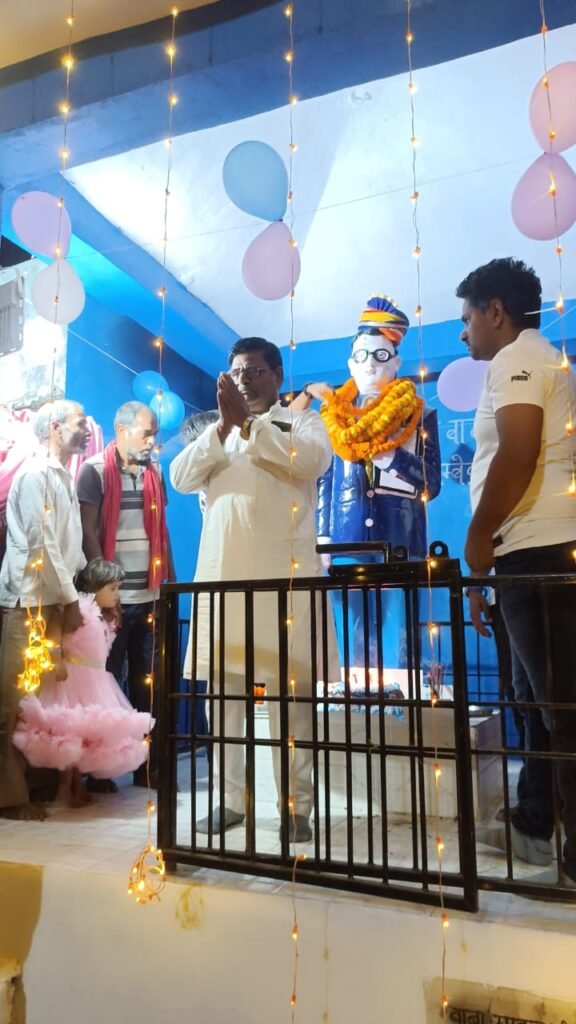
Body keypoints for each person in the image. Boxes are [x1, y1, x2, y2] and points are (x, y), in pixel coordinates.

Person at [170, 337, 336, 842]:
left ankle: (296, 808)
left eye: (255, 371)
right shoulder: (217, 433)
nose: (245, 379)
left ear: (278, 376)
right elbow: (180, 478)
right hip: (225, 583)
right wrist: (225, 427)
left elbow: (310, 461)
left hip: (285, 584)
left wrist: (248, 424)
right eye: (237, 372)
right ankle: (230, 801)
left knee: (293, 705)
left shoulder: (301, 422)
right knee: (223, 703)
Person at [458, 257, 576, 888]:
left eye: (468, 317)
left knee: (560, 706)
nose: (464, 332)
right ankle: (535, 824)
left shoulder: (518, 357)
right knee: (535, 702)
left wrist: (479, 536)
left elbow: (520, 450)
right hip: (526, 553)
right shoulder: (536, 358)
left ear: (496, 312)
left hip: (540, 552)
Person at [312, 295, 441, 669]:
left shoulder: (419, 414)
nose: (370, 363)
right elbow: (325, 479)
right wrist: (323, 535)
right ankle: (353, 695)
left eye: (381, 355)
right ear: (351, 363)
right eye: (362, 355)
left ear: (396, 363)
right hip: (346, 538)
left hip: (400, 536)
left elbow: (431, 482)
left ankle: (401, 693)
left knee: (399, 628)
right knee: (348, 627)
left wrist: (393, 458)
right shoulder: (335, 417)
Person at [0, 399, 90, 819]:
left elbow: (69, 546)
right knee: (13, 702)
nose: (86, 429)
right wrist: (71, 599)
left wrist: (82, 592)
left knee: (39, 701)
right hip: (29, 600)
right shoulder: (37, 474)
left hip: (51, 600)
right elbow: (42, 545)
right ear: (55, 427)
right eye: (79, 422)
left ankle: (32, 789)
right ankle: (10, 799)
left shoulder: (61, 475)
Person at [76, 401, 171, 789]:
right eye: (146, 433)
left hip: (150, 595)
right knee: (106, 685)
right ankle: (99, 772)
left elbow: (162, 531)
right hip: (111, 601)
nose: (151, 441)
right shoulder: (94, 470)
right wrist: (104, 589)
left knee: (149, 684)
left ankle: (147, 767)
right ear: (121, 431)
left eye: (154, 434)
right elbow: (87, 531)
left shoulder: (155, 472)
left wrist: (169, 585)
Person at [13, 558, 154, 806]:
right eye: (112, 588)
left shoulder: (105, 617)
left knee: (85, 735)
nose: (116, 594)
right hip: (74, 678)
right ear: (94, 587)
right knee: (69, 732)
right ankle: (65, 788)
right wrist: (56, 658)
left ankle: (77, 786)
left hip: (95, 679)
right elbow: (56, 630)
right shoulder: (81, 612)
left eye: (117, 588)